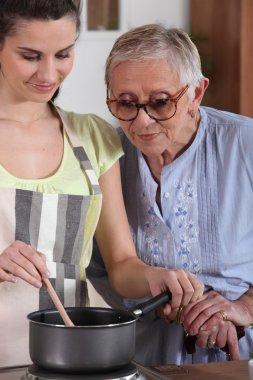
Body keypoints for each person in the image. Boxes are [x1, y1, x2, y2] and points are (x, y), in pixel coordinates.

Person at [0, 4, 204, 367]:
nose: (49, 73)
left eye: (63, 54)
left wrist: (156, 277)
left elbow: (122, 265)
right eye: (30, 56)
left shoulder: (92, 138)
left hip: (69, 351)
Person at [87, 24, 253, 366]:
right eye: (125, 103)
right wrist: (159, 296)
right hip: (139, 360)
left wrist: (243, 307)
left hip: (239, 357)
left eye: (161, 103)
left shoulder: (245, 144)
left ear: (196, 93)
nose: (142, 122)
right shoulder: (107, 156)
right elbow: (106, 272)